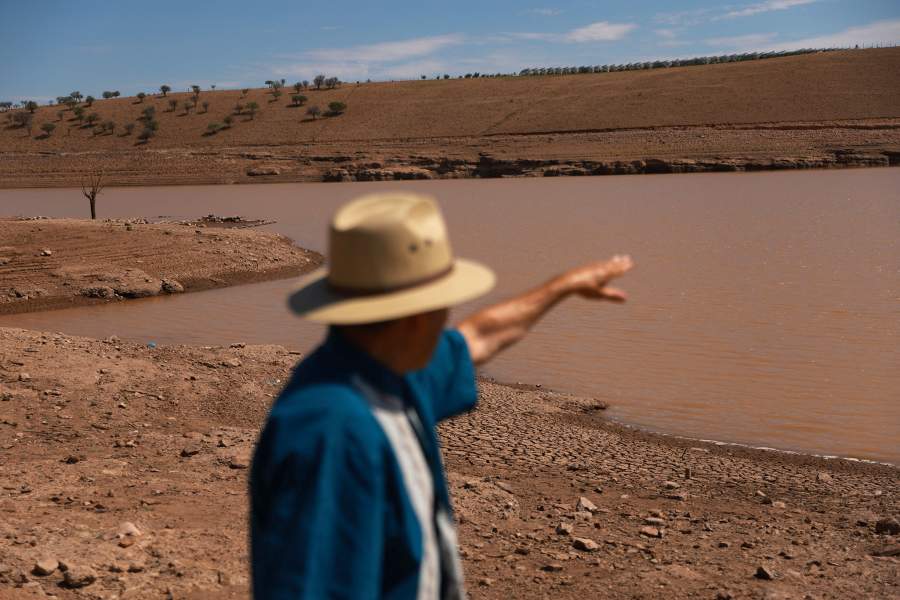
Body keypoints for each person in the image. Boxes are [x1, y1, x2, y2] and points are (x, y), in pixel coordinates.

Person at [250, 192, 633, 599]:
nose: (448, 318)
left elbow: (480, 337)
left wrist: (565, 286)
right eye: (443, 303)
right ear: (418, 315)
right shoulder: (332, 430)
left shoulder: (388, 373)